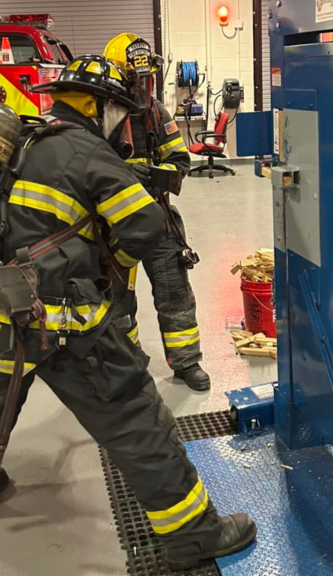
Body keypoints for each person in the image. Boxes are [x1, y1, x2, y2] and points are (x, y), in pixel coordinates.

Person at [0, 55, 257, 570]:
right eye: (117, 110)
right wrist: (114, 269)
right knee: (131, 410)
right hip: (58, 318)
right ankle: (194, 535)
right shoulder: (85, 149)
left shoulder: (23, 138)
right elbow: (145, 227)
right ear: (100, 107)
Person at [104, 33, 211, 392]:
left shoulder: (154, 112)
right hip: (113, 226)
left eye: (147, 79)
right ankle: (128, 368)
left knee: (175, 291)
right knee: (117, 301)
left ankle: (186, 363)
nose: (142, 87)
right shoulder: (98, 117)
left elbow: (180, 161)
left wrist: (157, 174)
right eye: (136, 80)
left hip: (157, 218)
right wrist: (121, 175)